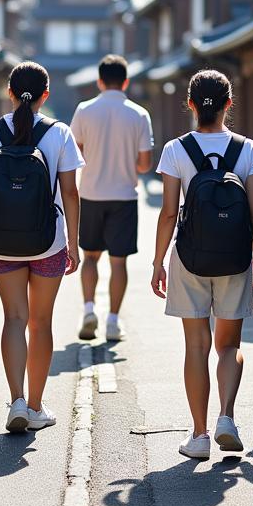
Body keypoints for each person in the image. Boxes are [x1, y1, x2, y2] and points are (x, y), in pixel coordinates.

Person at [152, 70, 253, 460]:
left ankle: (199, 436)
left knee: (196, 346)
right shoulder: (247, 149)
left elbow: (169, 213)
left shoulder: (175, 149)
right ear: (228, 104)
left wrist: (157, 262)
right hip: (234, 257)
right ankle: (227, 419)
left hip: (190, 256)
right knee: (229, 344)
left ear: (190, 104)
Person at [0, 61, 83, 433]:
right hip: (48, 242)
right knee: (41, 321)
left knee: (14, 319)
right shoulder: (59, 133)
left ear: (10, 92)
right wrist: (74, 245)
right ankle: (35, 406)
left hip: (2, 244)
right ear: (45, 95)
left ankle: (16, 400)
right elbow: (70, 193)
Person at [70, 54, 153, 343]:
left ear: (99, 81)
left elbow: (74, 155)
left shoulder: (83, 110)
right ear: (126, 81)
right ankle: (114, 322)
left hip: (90, 193)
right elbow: (144, 165)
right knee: (119, 262)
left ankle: (89, 309)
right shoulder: (139, 114)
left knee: (90, 257)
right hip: (124, 196)